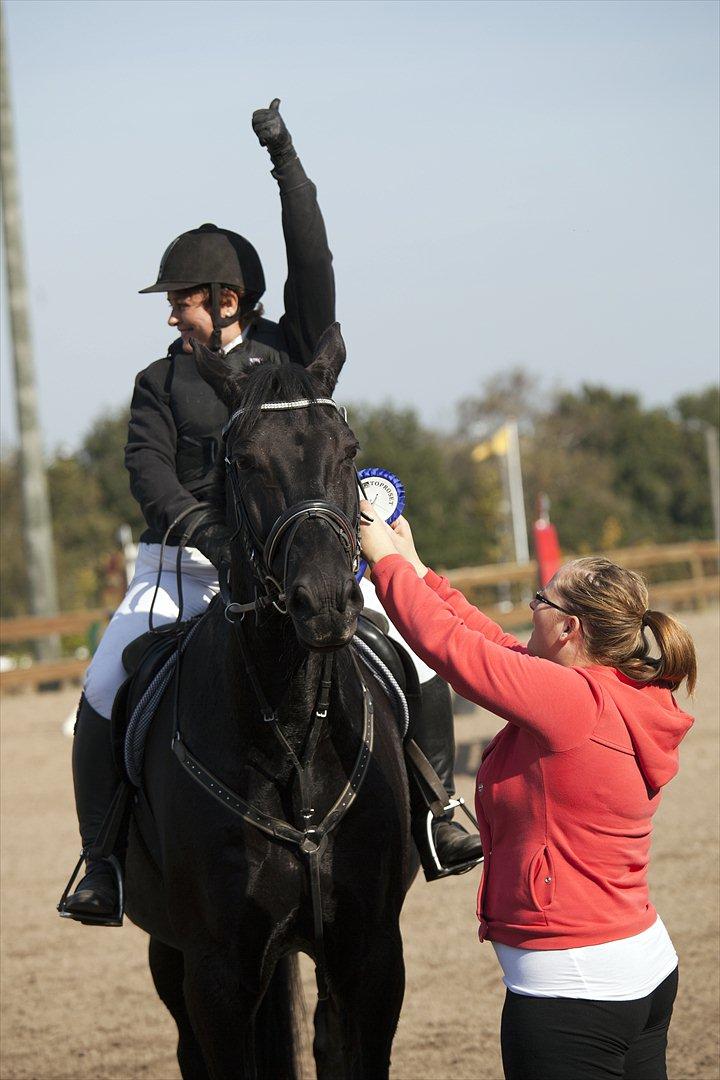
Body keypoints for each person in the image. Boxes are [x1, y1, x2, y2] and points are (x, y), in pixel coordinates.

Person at [62, 101, 480, 926]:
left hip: (305, 562)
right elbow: (149, 473)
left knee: (414, 653)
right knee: (100, 691)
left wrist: (286, 162)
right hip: (185, 570)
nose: (170, 313)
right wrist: (212, 538)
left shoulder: (293, 350)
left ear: (226, 299)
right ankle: (102, 861)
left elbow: (312, 258)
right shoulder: (159, 382)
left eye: (181, 298)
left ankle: (440, 809)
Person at [359, 501, 696, 1080]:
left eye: (543, 598)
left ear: (569, 628)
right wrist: (415, 567)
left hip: (573, 992)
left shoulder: (570, 701)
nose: (532, 605)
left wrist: (384, 563)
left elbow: (452, 649)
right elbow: (491, 643)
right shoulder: (617, 686)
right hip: (639, 963)